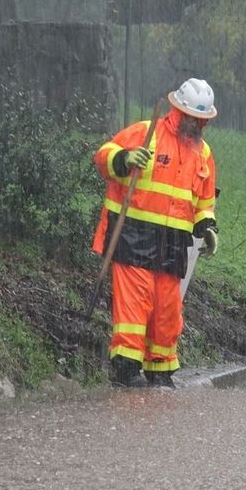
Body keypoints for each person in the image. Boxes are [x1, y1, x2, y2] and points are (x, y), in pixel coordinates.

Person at [92, 78, 220, 388]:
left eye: (204, 120)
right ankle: (125, 369)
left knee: (167, 309)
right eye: (195, 118)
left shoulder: (203, 152)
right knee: (134, 305)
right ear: (179, 111)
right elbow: (103, 156)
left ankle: (160, 370)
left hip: (174, 242)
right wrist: (123, 159)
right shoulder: (145, 132)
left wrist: (207, 224)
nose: (199, 125)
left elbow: (203, 198)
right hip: (133, 234)